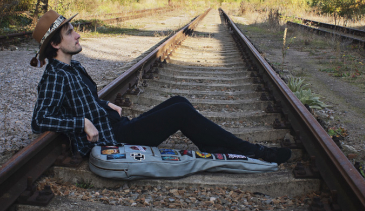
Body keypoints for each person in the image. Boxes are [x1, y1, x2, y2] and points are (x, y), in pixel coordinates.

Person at [30, 11, 291, 164]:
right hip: (115, 140)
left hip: (118, 126)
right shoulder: (55, 76)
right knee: (181, 114)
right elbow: (39, 119)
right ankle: (254, 152)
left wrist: (102, 104)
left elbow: (82, 100)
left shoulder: (73, 67)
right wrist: (82, 124)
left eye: (74, 30)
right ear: (55, 44)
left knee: (179, 101)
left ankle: (221, 145)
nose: (77, 35)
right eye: (70, 32)